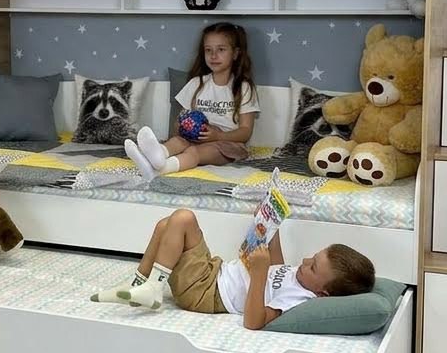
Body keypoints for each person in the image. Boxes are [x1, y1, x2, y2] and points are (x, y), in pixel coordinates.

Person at [92, 208, 375, 329]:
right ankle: (139, 285)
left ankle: (153, 289)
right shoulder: (301, 279)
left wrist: (259, 273)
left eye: (312, 267)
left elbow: (254, 321)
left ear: (322, 293)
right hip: (212, 273)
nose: (304, 262)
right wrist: (270, 227)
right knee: (166, 225)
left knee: (183, 219)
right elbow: (278, 268)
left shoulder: (300, 300)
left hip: (207, 293)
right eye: (312, 257)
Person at [126, 22, 258, 181]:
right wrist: (183, 127)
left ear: (235, 53)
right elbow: (180, 119)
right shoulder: (196, 83)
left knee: (193, 152)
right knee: (177, 141)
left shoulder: (243, 87)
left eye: (221, 50)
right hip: (195, 139)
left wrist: (218, 135)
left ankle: (158, 171)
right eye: (208, 50)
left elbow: (245, 132)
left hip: (227, 145)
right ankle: (156, 155)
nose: (213, 55)